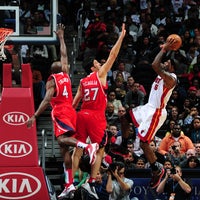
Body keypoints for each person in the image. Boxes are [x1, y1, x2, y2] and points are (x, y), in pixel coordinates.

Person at [26, 24, 98, 200]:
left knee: (60, 139)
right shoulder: (65, 73)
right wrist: (61, 37)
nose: (59, 61)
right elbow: (64, 54)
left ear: (52, 70)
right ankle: (69, 184)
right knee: (63, 150)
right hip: (71, 111)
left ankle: (86, 146)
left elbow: (46, 100)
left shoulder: (52, 80)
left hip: (61, 112)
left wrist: (35, 115)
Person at [71, 24, 126, 199]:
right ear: (94, 68)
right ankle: (92, 182)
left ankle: (72, 182)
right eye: (97, 63)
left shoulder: (82, 82)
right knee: (101, 148)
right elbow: (113, 55)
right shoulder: (100, 74)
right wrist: (121, 37)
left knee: (77, 149)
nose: (99, 63)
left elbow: (74, 104)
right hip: (96, 117)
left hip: (81, 115)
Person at [119, 37, 179, 188]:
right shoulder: (163, 73)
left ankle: (156, 169)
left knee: (144, 142)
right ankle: (124, 147)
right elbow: (153, 59)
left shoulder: (171, 79)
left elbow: (154, 64)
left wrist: (165, 49)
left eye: (168, 63)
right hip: (148, 107)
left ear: (172, 68)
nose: (165, 63)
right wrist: (164, 47)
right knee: (125, 118)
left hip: (156, 112)